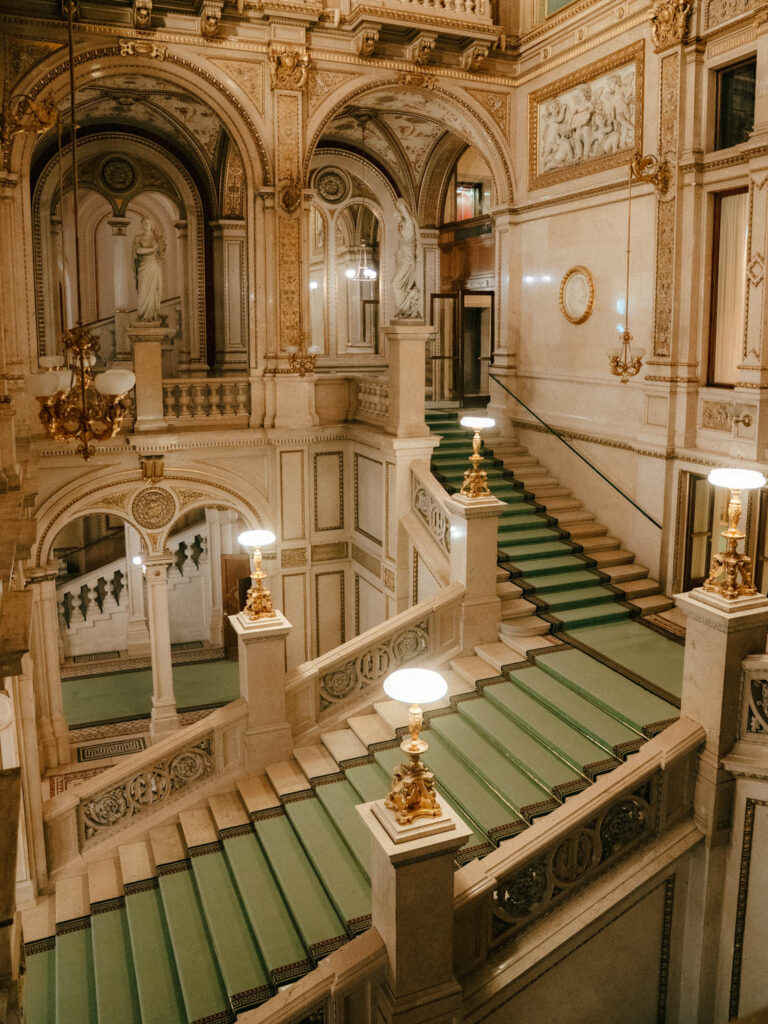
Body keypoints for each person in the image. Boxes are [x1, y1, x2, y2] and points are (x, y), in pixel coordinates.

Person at [133, 216, 166, 322]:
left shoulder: (157, 238)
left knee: (154, 291)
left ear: (152, 225)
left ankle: (151, 315)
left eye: (148, 223)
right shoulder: (138, 238)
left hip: (153, 266)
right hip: (143, 267)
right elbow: (137, 251)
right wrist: (152, 249)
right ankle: (142, 315)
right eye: (144, 223)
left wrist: (163, 247)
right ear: (141, 225)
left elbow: (161, 253)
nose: (146, 225)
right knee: (142, 291)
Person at [392, 198, 421, 319]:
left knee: (395, 284)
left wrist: (401, 205)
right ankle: (406, 308)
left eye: (396, 216)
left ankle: (405, 308)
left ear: (402, 214)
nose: (395, 219)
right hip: (402, 261)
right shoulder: (403, 228)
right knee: (396, 284)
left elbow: (408, 218)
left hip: (407, 262)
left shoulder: (409, 226)